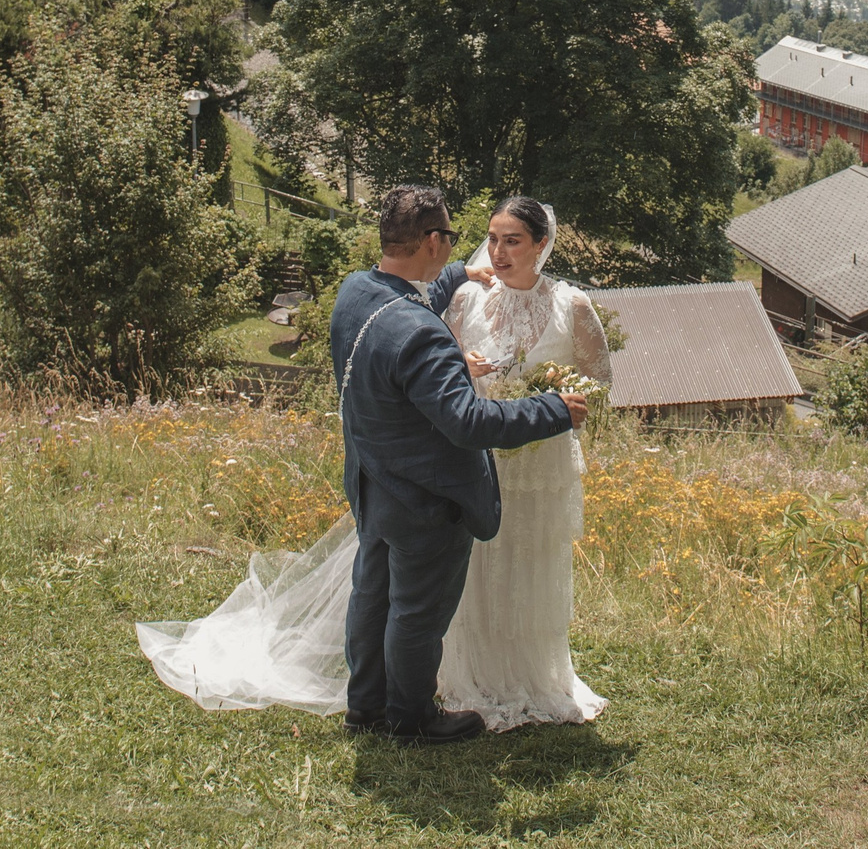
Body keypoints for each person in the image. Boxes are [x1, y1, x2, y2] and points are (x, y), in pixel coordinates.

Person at [136, 185, 583, 743]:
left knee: (371, 597)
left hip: (374, 481)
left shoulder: (356, 292)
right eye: (448, 237)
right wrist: (553, 409)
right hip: (426, 494)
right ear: (429, 241)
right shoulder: (424, 335)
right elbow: (469, 422)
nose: (458, 247)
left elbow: (409, 297)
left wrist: (458, 279)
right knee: (417, 613)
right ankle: (411, 718)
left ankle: (365, 708)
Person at [436, 197, 612, 729]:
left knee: (528, 564)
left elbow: (600, 379)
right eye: (492, 238)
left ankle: (528, 674)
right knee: (474, 565)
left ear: (541, 244)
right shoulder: (467, 298)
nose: (498, 250)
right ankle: (465, 671)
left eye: (512, 240)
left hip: (540, 461)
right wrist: (460, 360)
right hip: (477, 450)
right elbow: (433, 360)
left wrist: (555, 395)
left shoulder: (571, 304)